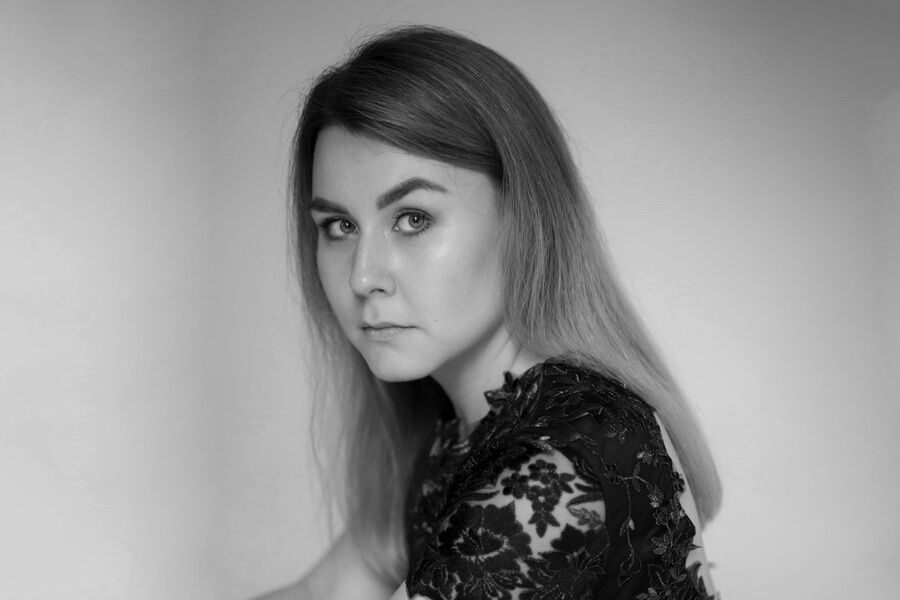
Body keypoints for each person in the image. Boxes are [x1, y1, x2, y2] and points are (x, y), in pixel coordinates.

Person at [258, 25, 722, 600]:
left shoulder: (557, 461)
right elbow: (325, 590)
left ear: (522, 216)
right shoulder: (459, 431)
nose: (362, 276)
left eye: (413, 219)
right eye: (339, 226)